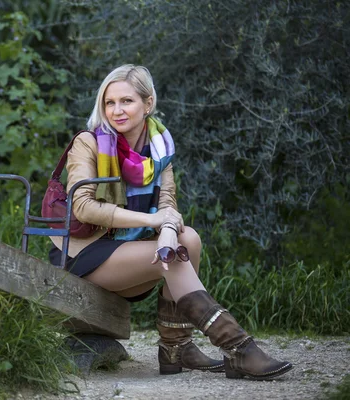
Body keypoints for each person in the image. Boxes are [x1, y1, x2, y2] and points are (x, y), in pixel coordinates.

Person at [48, 64, 292, 380]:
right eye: (110, 103)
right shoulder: (90, 142)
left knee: (187, 239)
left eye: (127, 101)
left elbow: (168, 205)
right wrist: (154, 221)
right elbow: (83, 207)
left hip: (128, 251)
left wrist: (166, 231)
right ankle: (238, 347)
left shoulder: (160, 149)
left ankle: (176, 349)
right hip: (83, 254)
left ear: (148, 104)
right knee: (175, 258)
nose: (117, 111)